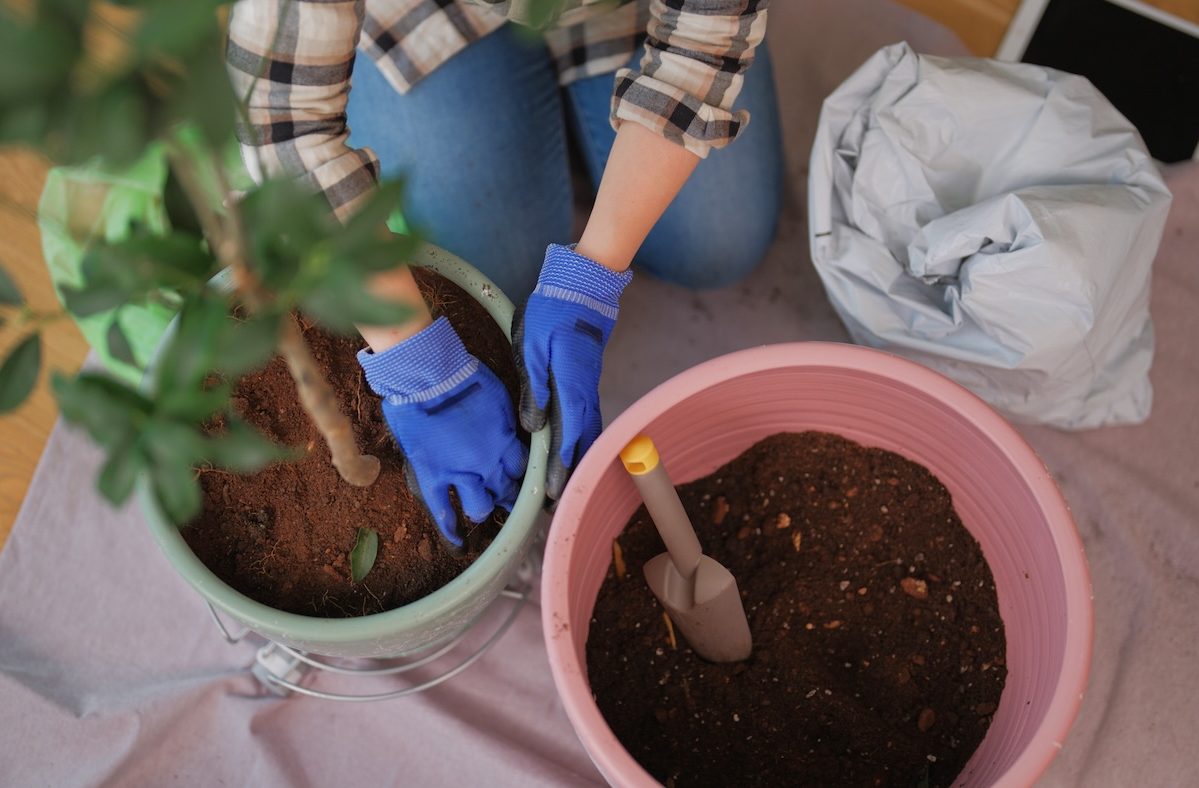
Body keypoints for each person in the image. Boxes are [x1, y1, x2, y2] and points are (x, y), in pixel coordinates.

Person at [226, 0, 783, 548]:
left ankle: (573, 110)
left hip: (628, 9)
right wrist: (422, 371)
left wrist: (592, 273)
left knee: (717, 247)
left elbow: (705, 38)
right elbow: (283, 123)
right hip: (433, 14)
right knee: (497, 286)